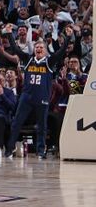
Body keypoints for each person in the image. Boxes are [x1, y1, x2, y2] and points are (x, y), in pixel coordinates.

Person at [7, 26, 72, 159]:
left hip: (42, 98)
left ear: (46, 51)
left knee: (42, 126)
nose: (39, 49)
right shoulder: (28, 59)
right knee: (16, 122)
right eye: (37, 47)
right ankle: (9, 149)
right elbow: (15, 49)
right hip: (26, 96)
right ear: (34, 49)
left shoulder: (49, 61)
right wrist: (9, 34)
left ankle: (41, 151)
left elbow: (61, 52)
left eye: (41, 47)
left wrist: (68, 38)